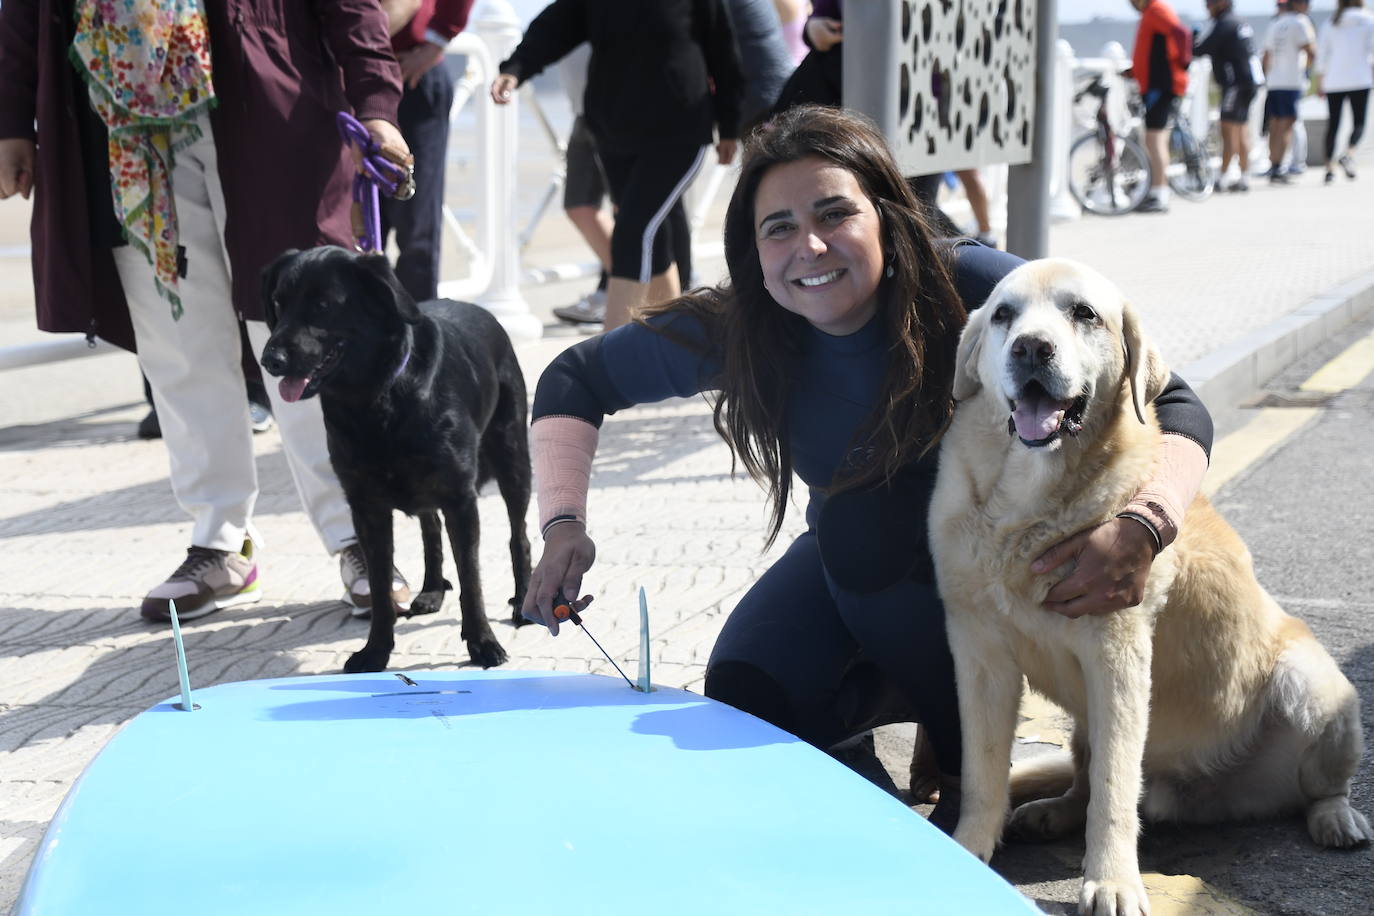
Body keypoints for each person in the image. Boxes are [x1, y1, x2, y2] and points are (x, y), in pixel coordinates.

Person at [520, 105, 1215, 827]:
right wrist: (564, 525)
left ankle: (965, 760)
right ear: (754, 249)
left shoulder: (969, 285)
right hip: (859, 569)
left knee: (866, 523)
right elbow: (574, 378)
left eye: (834, 214)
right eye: (778, 228)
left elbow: (1181, 402)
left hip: (1000, 571)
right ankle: (888, 707)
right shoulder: (746, 325)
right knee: (746, 696)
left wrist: (1145, 525)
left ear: (885, 214)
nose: (809, 247)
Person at [0, 1, 412, 622]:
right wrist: (11, 119)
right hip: (121, 119)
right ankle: (221, 540)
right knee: (179, 342)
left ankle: (359, 536)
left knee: (304, 335)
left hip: (274, 103)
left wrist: (376, 103)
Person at [491, 1, 744, 332]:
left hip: (680, 133)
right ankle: (674, 333)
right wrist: (516, 68)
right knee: (652, 237)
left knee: (632, 230)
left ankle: (610, 354)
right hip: (614, 135)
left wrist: (729, 125)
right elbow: (557, 25)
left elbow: (723, 48)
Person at [379, 0, 476, 302]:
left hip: (413, 76)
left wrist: (437, 40)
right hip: (347, 78)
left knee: (417, 221)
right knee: (358, 219)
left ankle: (420, 336)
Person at [1128, 0, 1193, 212]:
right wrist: (1134, 71)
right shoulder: (1151, 12)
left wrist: (1182, 63)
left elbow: (1181, 33)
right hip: (1157, 84)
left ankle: (1159, 194)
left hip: (1162, 85)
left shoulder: (1156, 9)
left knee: (1154, 139)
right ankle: (1158, 191)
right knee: (1155, 138)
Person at [1194, 0, 1263, 191]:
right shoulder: (1239, 21)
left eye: (1210, 3)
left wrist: (1189, 41)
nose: (1207, 7)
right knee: (1241, 130)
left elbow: (1201, 49)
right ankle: (1244, 177)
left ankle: (1223, 178)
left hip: (1236, 84)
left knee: (1228, 130)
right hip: (1249, 82)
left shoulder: (1225, 23)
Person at [1316, 0, 1374, 184]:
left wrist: (1320, 80)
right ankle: (1348, 153)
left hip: (1334, 79)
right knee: (1359, 122)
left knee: (1333, 125)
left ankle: (1329, 169)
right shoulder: (1368, 19)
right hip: (1360, 78)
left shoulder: (1332, 22)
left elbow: (1322, 54)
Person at [1262, 0, 1317, 183]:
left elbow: (1266, 56)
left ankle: (1273, 165)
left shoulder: (1276, 23)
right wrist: (1306, 72)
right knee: (1287, 124)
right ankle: (1279, 167)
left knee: (1275, 123)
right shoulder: (1301, 21)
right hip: (1291, 81)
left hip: (1274, 81)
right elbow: (1311, 51)